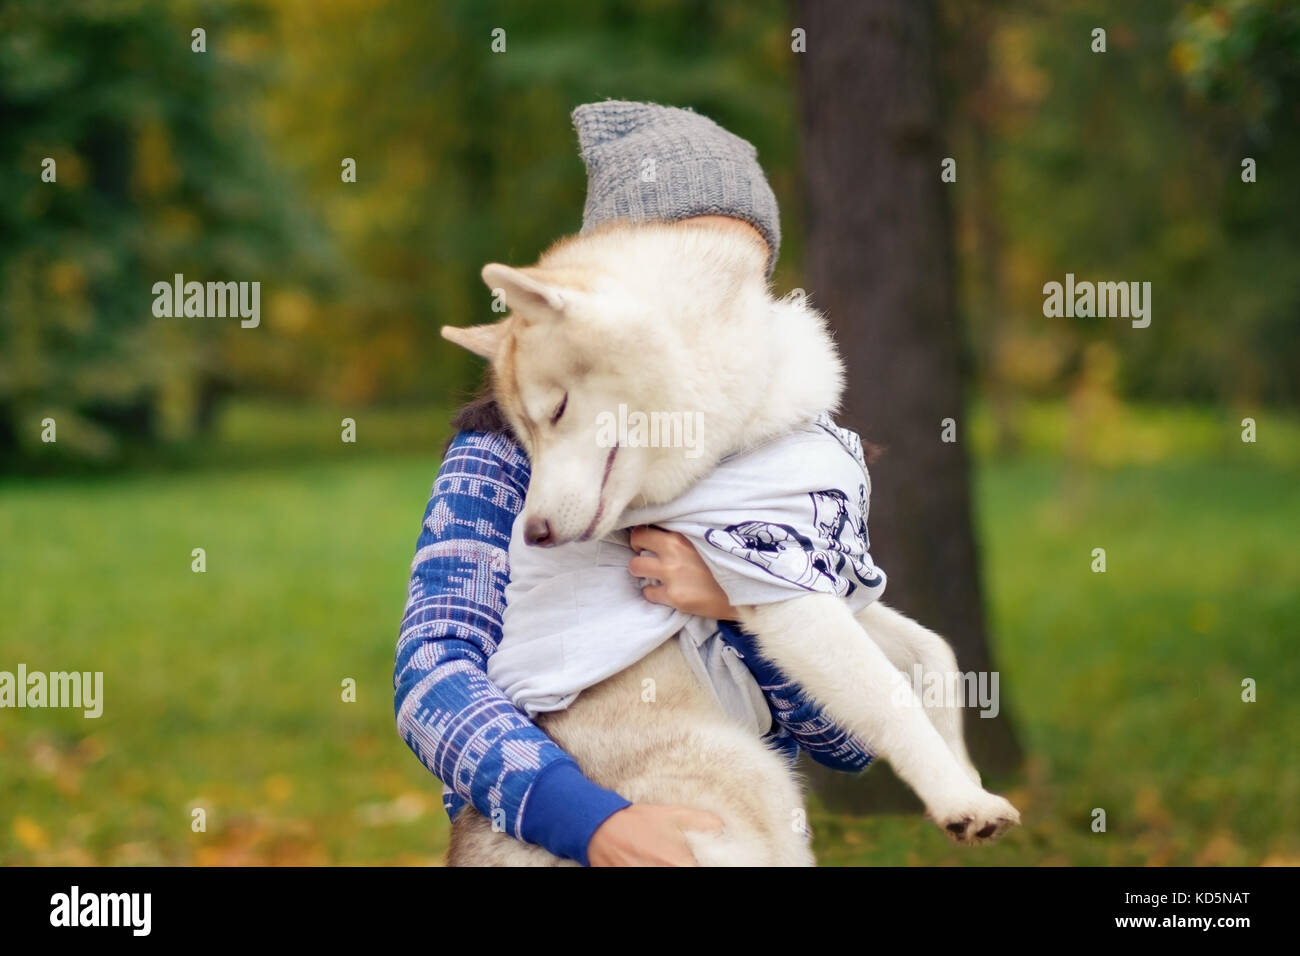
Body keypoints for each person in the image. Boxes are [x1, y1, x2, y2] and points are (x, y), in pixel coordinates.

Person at [394, 101, 873, 867]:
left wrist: (746, 601)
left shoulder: (793, 462)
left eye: (741, 281)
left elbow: (847, 741)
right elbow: (433, 673)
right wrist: (588, 821)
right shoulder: (501, 457)